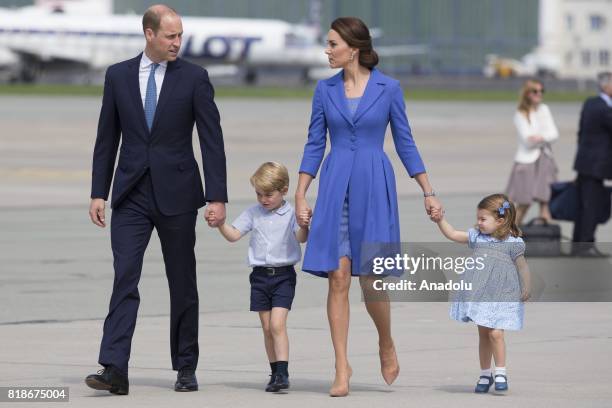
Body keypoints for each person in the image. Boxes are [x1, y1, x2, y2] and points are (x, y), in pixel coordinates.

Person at [294, 17, 442, 397]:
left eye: (332, 44)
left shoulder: (389, 89)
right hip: (334, 184)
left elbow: (405, 141)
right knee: (338, 276)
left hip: (375, 185)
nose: (326, 50)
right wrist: (300, 192)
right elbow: (314, 142)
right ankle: (341, 367)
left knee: (371, 280)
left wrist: (427, 190)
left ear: (353, 48)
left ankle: (385, 341)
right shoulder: (324, 90)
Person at [85, 4, 227, 394]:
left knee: (182, 281)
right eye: (170, 36)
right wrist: (99, 191)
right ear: (149, 34)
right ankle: (114, 367)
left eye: (180, 35)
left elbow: (211, 141)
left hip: (178, 194)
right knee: (124, 277)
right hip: (130, 193)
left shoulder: (195, 78)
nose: (177, 42)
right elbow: (106, 138)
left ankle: (185, 366)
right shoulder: (118, 76)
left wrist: (217, 196)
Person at [207, 162, 310, 393]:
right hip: (260, 277)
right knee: (266, 327)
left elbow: (301, 238)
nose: (263, 199)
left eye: (269, 195)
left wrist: (304, 225)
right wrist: (221, 224)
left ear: (283, 190)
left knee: (277, 324)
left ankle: (283, 373)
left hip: (283, 276)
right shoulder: (253, 213)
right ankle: (274, 372)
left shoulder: (291, 213)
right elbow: (234, 235)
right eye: (259, 194)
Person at [433, 194, 531, 394]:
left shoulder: (513, 243)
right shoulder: (477, 236)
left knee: (496, 333)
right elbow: (452, 234)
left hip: (502, 293)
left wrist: (527, 286)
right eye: (478, 218)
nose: (478, 223)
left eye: (483, 219)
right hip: (480, 293)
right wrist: (440, 220)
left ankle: (501, 372)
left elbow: (522, 267)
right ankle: (486, 374)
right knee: (484, 334)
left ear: (501, 220)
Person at [506, 79, 559, 225]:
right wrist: (544, 137)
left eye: (542, 91)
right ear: (527, 93)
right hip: (526, 161)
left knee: (545, 200)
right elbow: (528, 141)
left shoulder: (544, 109)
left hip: (545, 159)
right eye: (535, 91)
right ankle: (511, 233)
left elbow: (554, 134)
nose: (539, 94)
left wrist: (540, 137)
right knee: (524, 202)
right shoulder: (520, 113)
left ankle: (546, 240)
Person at [572, 72, 612, 254]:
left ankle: (577, 243)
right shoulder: (604, 109)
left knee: (584, 205)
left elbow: (580, 133)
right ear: (606, 86)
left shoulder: (590, 103)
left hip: (585, 163)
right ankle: (586, 245)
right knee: (591, 206)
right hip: (597, 166)